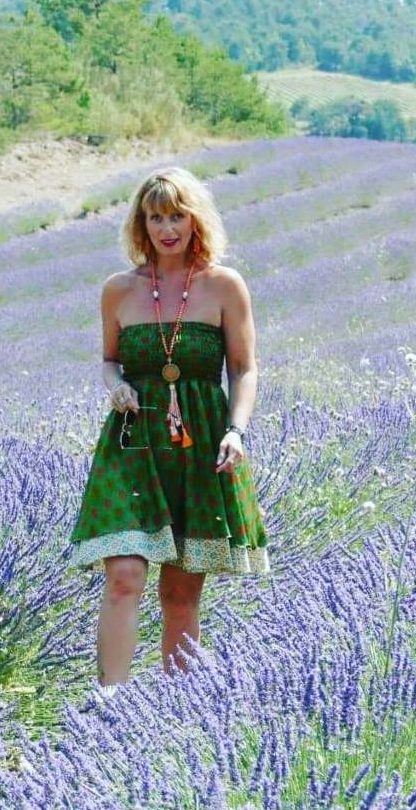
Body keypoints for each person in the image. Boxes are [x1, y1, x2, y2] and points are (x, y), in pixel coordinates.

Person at [68, 166, 271, 694]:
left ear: (195, 219)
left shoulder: (225, 285)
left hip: (200, 444)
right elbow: (109, 361)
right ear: (142, 224)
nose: (167, 228)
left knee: (180, 595)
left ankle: (176, 708)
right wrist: (116, 384)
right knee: (124, 576)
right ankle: (108, 705)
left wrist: (236, 431)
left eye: (176, 215)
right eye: (155, 217)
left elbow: (244, 369)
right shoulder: (119, 290)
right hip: (133, 443)